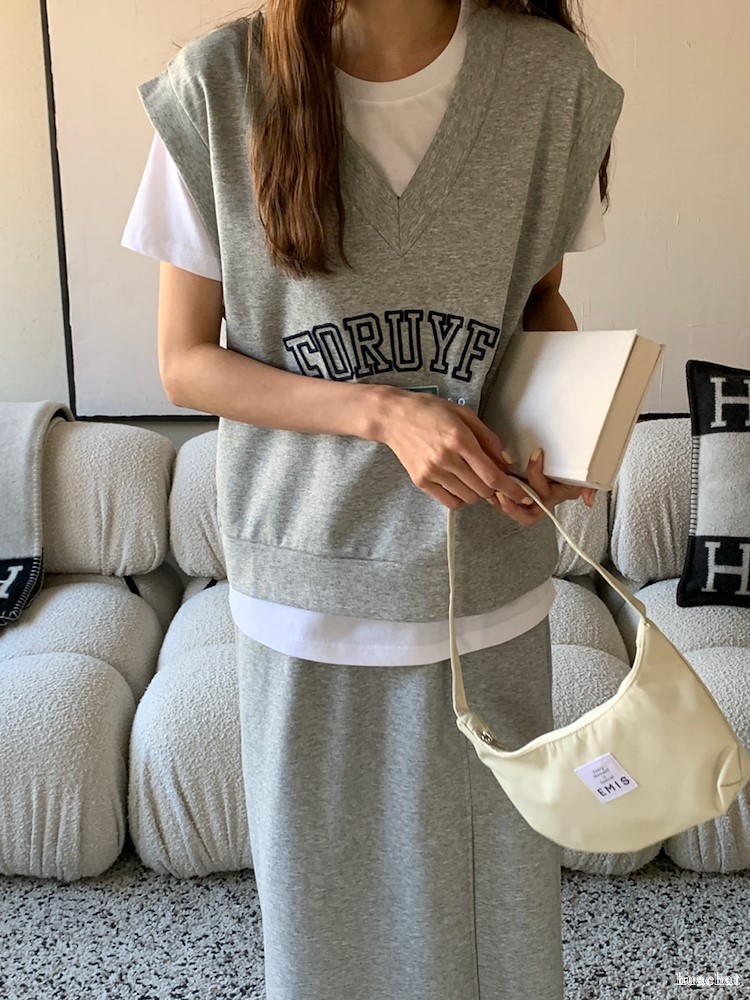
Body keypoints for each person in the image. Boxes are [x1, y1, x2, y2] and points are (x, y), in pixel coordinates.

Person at [122, 0, 623, 996]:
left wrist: (557, 428)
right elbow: (185, 361)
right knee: (328, 951)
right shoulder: (221, 85)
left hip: (485, 594)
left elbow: (537, 302)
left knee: (498, 948)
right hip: (308, 597)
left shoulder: (547, 83)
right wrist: (383, 412)